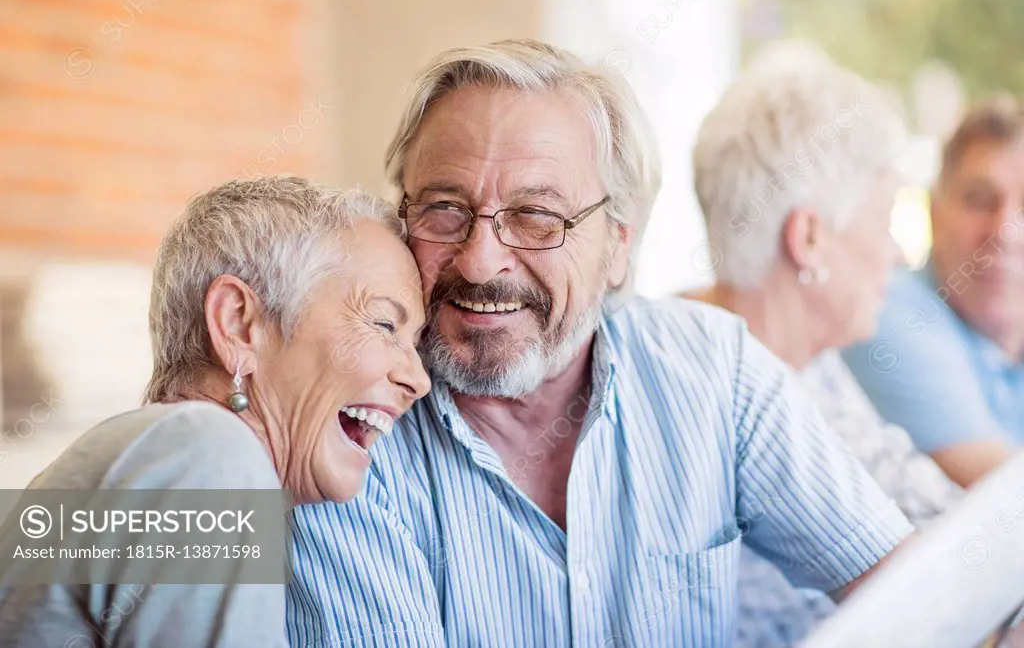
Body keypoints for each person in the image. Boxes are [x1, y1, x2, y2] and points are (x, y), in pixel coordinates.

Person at [286, 39, 915, 648]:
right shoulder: (345, 428)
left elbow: (909, 593)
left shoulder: (716, 371)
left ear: (617, 244)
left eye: (537, 216)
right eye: (446, 209)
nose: (480, 262)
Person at [0, 176, 431, 647]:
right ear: (238, 324)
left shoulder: (176, 458)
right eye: (385, 324)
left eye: (414, 344)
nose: (419, 379)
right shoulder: (208, 452)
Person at [689, 44, 963, 647]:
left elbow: (933, 509)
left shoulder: (809, 361)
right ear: (809, 237)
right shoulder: (711, 398)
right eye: (885, 221)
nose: (898, 254)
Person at [844, 96, 1024, 488]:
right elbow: (1007, 493)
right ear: (933, 211)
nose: (1005, 233)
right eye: (979, 200)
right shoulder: (886, 311)